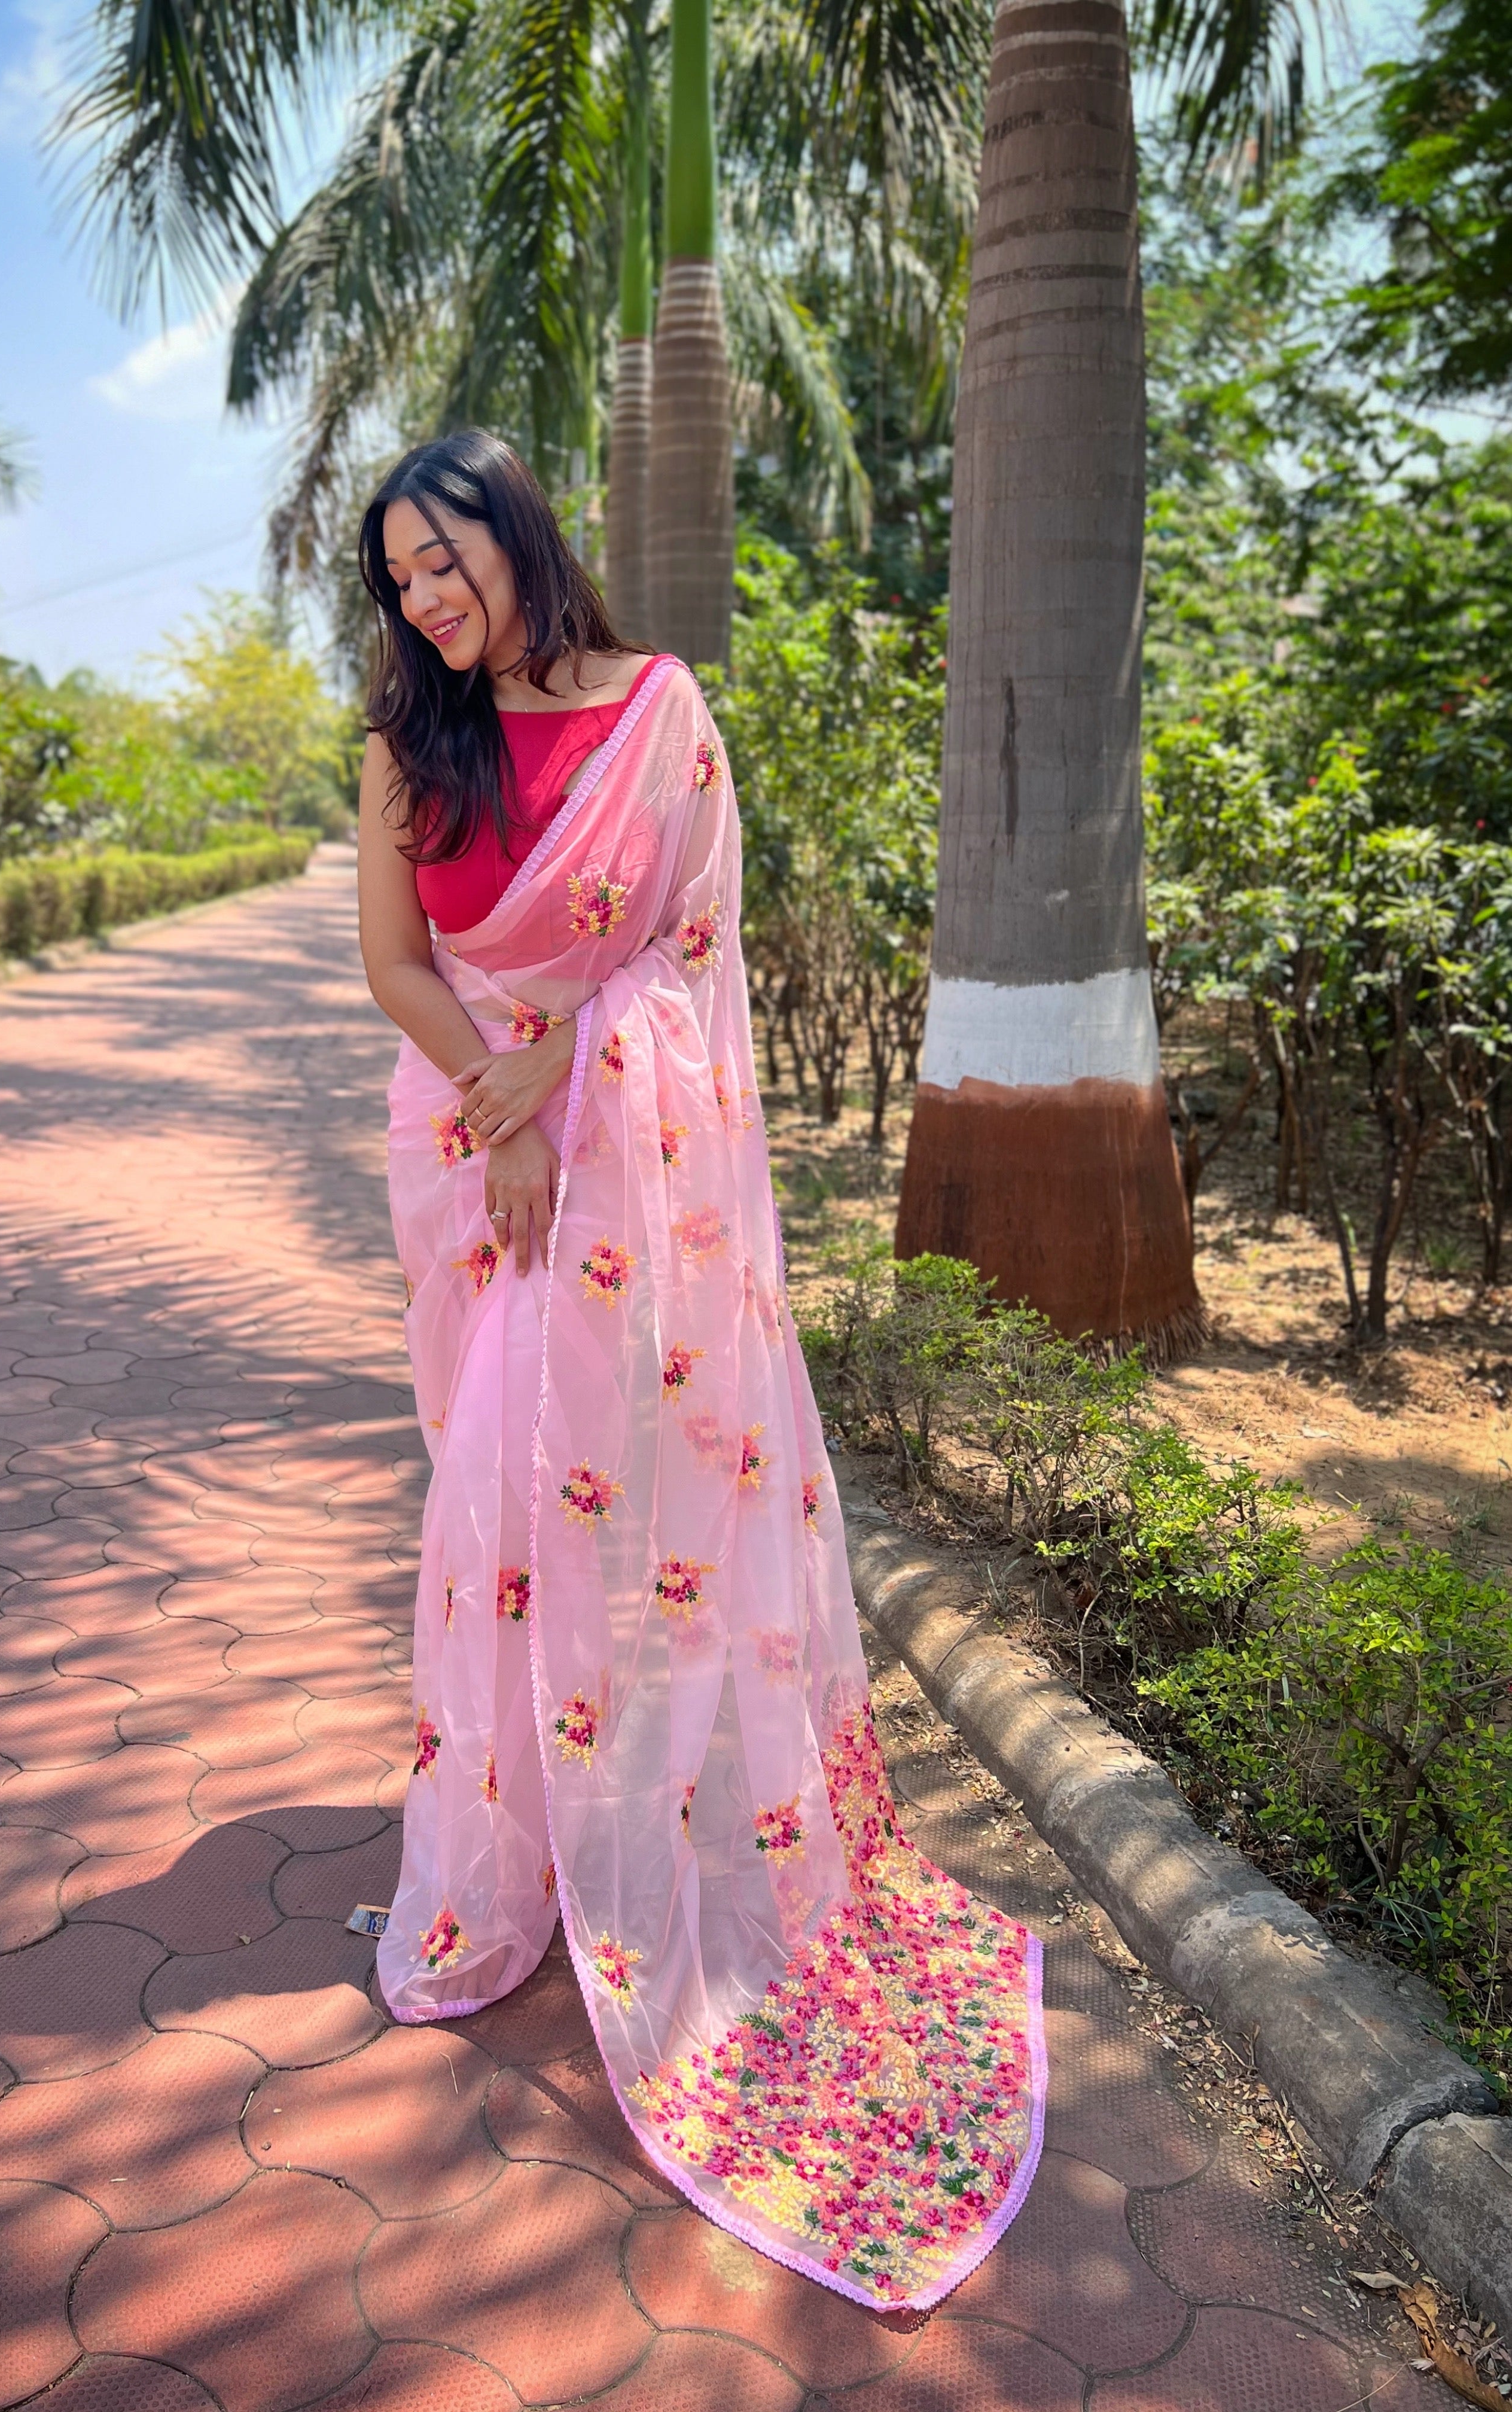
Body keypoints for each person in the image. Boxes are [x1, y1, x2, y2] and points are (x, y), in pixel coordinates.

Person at [355, 428, 1044, 2309]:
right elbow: (393, 961)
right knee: (499, 1487)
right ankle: (516, 1851)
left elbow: (691, 946)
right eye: (398, 574)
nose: (425, 597)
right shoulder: (406, 747)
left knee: (635, 1496)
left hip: (631, 1178)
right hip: (481, 1162)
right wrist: (497, 1085)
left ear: (517, 535)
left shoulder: (660, 712)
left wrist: (561, 1065)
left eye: (447, 557)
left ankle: (652, 1816)